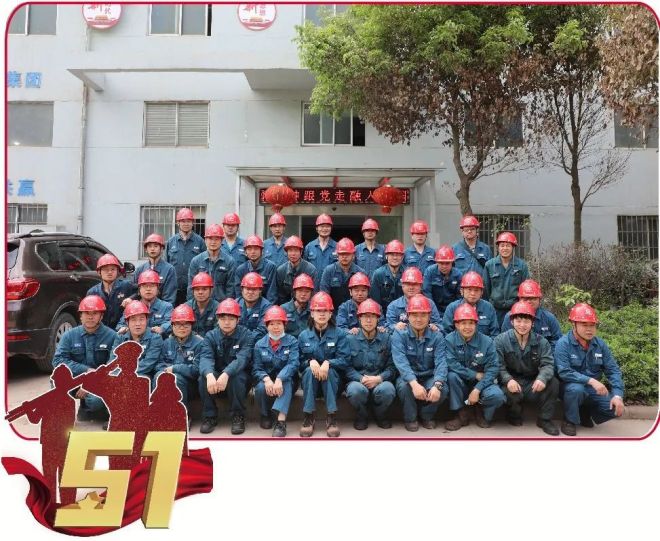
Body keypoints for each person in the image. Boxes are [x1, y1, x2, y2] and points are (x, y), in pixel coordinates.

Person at [555, 303, 625, 437]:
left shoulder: (600, 344)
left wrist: (617, 396)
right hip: (569, 386)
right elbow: (564, 372)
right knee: (576, 389)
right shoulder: (563, 343)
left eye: (592, 325)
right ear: (573, 325)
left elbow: (613, 370)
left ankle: (584, 412)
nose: (589, 329)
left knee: (615, 409)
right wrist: (591, 381)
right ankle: (569, 420)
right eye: (584, 325)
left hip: (592, 389)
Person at [495, 301, 560, 436]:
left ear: (532, 323)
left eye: (526, 321)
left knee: (553, 383)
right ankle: (513, 414)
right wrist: (508, 380)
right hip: (512, 381)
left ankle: (544, 419)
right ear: (512, 321)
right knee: (509, 393)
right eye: (518, 321)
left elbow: (548, 364)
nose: (522, 325)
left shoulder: (542, 342)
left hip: (532, 382)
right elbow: (498, 365)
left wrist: (542, 378)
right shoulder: (500, 340)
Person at [51, 295, 117, 421]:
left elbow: (113, 366)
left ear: (101, 316)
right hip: (76, 379)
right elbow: (58, 361)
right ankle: (62, 417)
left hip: (100, 381)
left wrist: (92, 381)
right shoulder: (69, 336)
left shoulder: (112, 336)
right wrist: (86, 370)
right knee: (56, 382)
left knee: (95, 402)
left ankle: (93, 409)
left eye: (95, 313)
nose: (90, 317)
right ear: (80, 316)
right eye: (86, 313)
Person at [391, 294, 448, 431]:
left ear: (429, 316)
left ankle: (426, 415)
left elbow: (441, 362)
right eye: (414, 315)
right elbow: (401, 362)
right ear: (408, 316)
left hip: (429, 375)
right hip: (408, 377)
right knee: (404, 388)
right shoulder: (399, 334)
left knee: (443, 389)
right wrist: (414, 383)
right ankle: (410, 418)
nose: (418, 319)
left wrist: (437, 384)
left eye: (423, 315)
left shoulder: (437, 335)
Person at [444, 303, 505, 431]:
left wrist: (477, 389)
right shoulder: (449, 340)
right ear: (456, 325)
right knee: (451, 376)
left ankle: (481, 410)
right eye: (463, 323)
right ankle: (460, 413)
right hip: (461, 381)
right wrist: (474, 375)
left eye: (471, 323)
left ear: (476, 325)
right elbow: (451, 364)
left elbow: (493, 368)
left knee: (497, 395)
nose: (467, 327)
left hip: (483, 382)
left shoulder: (487, 341)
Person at [198, 298, 255, 435]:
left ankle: (237, 415)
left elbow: (242, 359)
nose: (227, 322)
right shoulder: (210, 336)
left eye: (231, 319)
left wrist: (226, 373)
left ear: (238, 320)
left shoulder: (246, 335)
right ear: (217, 320)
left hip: (238, 377)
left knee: (237, 377)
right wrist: (209, 374)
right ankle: (209, 416)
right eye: (223, 319)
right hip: (217, 377)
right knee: (203, 378)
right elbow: (205, 357)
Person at [298, 292, 350, 438]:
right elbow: (297, 362)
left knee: (331, 372)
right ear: (312, 313)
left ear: (330, 313)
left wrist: (328, 363)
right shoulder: (303, 336)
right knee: (309, 371)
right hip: (311, 384)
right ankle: (308, 416)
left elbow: (345, 360)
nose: (322, 314)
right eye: (318, 310)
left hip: (333, 384)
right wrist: (310, 361)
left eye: (325, 310)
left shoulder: (339, 334)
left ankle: (331, 417)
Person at [345, 299, 396, 430]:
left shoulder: (387, 338)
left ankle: (380, 415)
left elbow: (392, 366)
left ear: (378, 319)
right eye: (365, 316)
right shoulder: (350, 339)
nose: (368, 320)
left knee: (388, 390)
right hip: (358, 380)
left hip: (379, 379)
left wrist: (379, 378)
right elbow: (346, 366)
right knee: (355, 390)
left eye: (372, 316)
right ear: (359, 318)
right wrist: (361, 378)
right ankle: (362, 416)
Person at [252, 305, 299, 437]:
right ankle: (265, 414)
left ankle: (281, 421)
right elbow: (257, 368)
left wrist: (280, 378)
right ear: (266, 326)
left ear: (284, 325)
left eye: (279, 323)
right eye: (272, 324)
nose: (276, 327)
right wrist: (266, 379)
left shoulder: (292, 342)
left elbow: (293, 364)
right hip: (267, 379)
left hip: (287, 379)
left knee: (286, 382)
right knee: (260, 388)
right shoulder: (259, 344)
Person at [154, 304, 203, 417]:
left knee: (176, 379)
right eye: (178, 324)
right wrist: (165, 371)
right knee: (158, 376)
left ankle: (183, 416)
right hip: (168, 379)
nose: (182, 328)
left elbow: (196, 370)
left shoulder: (199, 343)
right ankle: (159, 414)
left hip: (190, 385)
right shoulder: (166, 343)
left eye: (186, 324)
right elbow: (158, 364)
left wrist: (175, 368)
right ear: (172, 325)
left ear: (191, 325)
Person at [500, 279, 563, 353]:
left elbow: (557, 341)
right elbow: (504, 342)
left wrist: (546, 354)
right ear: (519, 299)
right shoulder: (510, 317)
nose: (529, 301)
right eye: (525, 299)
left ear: (539, 299)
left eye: (533, 298)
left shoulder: (549, 318)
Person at [484, 232, 530, 326]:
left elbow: (526, 288)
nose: (505, 248)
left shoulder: (521, 265)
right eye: (502, 245)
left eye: (508, 246)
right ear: (498, 247)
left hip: (515, 310)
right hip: (495, 310)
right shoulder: (490, 265)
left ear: (513, 247)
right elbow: (486, 289)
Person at [112, 300, 164, 381]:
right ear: (127, 322)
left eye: (141, 319)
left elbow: (148, 363)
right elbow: (113, 359)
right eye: (133, 320)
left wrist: (124, 374)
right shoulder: (121, 337)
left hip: (142, 374)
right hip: (119, 374)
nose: (138, 324)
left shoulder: (155, 338)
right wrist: (116, 374)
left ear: (147, 320)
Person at [166, 207, 206, 305]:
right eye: (183, 221)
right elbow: (167, 263)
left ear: (193, 223)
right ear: (178, 223)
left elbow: (205, 264)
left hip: (194, 289)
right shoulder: (171, 241)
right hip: (174, 290)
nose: (186, 224)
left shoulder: (200, 241)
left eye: (188, 221)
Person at [187, 224, 236, 302]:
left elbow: (231, 288)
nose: (213, 242)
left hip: (221, 304)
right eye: (210, 239)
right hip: (201, 304)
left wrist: (227, 305)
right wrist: (192, 305)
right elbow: (191, 287)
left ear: (222, 241)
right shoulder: (196, 261)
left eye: (216, 239)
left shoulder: (229, 262)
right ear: (205, 240)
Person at [116, 270, 173, 337]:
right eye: (144, 286)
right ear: (139, 290)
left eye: (152, 286)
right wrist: (123, 328)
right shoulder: (131, 306)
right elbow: (120, 325)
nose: (148, 289)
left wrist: (162, 329)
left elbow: (171, 323)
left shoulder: (166, 307)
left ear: (158, 289)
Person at [442, 271, 499, 338]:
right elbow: (446, 334)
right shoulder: (452, 308)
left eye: (476, 290)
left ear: (482, 292)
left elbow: (495, 334)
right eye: (469, 289)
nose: (473, 293)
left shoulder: (488, 307)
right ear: (461, 291)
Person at [87, 254, 135, 330]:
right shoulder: (92, 292)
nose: (110, 272)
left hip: (122, 330)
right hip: (101, 331)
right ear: (99, 272)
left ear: (117, 271)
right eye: (106, 270)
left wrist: (131, 298)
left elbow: (140, 292)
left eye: (113, 269)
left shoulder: (126, 286)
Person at [386, 267, 441, 332]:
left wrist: (435, 327)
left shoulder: (430, 303)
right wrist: (395, 327)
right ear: (402, 285)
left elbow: (439, 325)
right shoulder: (393, 306)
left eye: (414, 284)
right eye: (408, 284)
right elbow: (388, 328)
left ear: (421, 286)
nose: (411, 287)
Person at [319, 237, 365, 311]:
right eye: (342, 254)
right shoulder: (329, 271)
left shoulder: (361, 273)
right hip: (332, 312)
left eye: (347, 254)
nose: (344, 257)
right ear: (337, 255)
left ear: (353, 255)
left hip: (355, 313)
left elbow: (365, 298)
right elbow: (324, 295)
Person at [134, 233, 177, 305]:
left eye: (156, 246)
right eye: (149, 246)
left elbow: (169, 298)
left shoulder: (169, 269)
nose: (152, 249)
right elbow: (135, 293)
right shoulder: (140, 270)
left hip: (162, 309)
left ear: (162, 249)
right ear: (146, 249)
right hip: (141, 310)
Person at [234, 235, 278, 304]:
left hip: (265, 306)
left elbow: (271, 295)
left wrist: (268, 309)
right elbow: (239, 295)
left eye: (256, 249)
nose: (253, 252)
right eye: (249, 249)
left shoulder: (270, 267)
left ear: (261, 251)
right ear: (245, 252)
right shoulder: (240, 270)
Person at [275, 235, 318, 305]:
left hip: (307, 306)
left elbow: (313, 294)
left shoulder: (310, 270)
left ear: (301, 252)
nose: (293, 254)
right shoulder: (281, 271)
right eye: (290, 251)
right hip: (287, 307)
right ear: (286, 252)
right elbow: (281, 295)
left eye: (296, 250)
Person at [422, 245, 463, 318]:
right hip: (433, 309)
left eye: (447, 263)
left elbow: (460, 297)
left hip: (452, 311)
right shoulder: (430, 272)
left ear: (452, 262)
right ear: (437, 262)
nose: (444, 266)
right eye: (441, 263)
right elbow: (427, 293)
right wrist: (433, 312)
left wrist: (452, 312)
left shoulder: (458, 275)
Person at [371, 239, 405, 313]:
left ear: (402, 257)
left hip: (404, 314)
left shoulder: (407, 273)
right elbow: (375, 302)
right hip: (383, 313)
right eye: (392, 254)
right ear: (386, 256)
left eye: (398, 255)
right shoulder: (378, 274)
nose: (395, 258)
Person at [237, 272, 272, 340]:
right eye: (247, 289)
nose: (250, 292)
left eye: (254, 289)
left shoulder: (267, 308)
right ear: (242, 290)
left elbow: (262, 330)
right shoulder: (235, 304)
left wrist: (244, 340)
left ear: (260, 290)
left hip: (257, 343)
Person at [186, 272, 219, 337]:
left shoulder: (218, 308)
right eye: (197, 289)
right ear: (193, 291)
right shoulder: (186, 308)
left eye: (204, 289)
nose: (200, 292)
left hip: (211, 342)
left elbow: (218, 332)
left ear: (211, 290)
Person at [281, 273, 314, 338]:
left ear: (311, 293)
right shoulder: (283, 309)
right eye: (300, 291)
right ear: (294, 292)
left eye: (307, 291)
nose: (303, 294)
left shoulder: (314, 310)